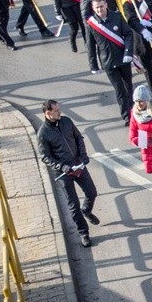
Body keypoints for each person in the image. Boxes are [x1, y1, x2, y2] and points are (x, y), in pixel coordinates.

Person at [37, 100, 99, 248]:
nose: (60, 112)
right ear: (48, 113)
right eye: (56, 111)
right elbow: (45, 156)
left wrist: (83, 155)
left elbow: (78, 138)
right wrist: (61, 166)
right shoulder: (43, 133)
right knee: (73, 204)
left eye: (59, 109)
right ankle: (83, 232)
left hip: (78, 165)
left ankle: (87, 210)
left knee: (92, 192)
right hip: (63, 173)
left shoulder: (66, 121)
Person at [86, 0, 140, 126]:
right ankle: (127, 116)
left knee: (128, 86)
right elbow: (90, 46)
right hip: (108, 62)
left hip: (123, 58)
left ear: (106, 5)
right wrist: (93, 65)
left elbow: (128, 34)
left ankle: (134, 112)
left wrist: (129, 52)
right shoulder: (91, 24)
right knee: (119, 89)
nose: (100, 9)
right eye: (97, 7)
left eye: (101, 6)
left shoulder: (117, 17)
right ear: (93, 8)